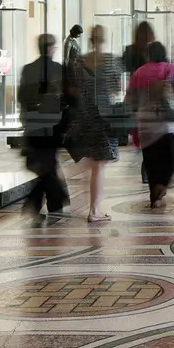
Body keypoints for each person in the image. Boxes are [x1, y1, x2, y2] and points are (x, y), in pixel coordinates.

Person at [68, 24, 122, 223]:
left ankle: (94, 206)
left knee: (95, 162)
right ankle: (94, 210)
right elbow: (116, 88)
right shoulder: (110, 61)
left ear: (90, 39)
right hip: (104, 115)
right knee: (100, 164)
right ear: (103, 39)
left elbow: (75, 89)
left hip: (85, 115)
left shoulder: (79, 61)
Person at [18, 34, 69, 222]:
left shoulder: (28, 69)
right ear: (50, 48)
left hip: (33, 125)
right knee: (47, 166)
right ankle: (48, 201)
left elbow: (22, 98)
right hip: (53, 125)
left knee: (46, 165)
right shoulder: (58, 70)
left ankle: (52, 201)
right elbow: (65, 99)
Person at [126, 42, 174, 209]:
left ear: (148, 55)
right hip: (168, 123)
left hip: (146, 124)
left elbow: (131, 99)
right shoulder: (172, 69)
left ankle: (155, 196)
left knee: (152, 161)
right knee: (171, 158)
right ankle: (162, 185)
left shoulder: (139, 72)